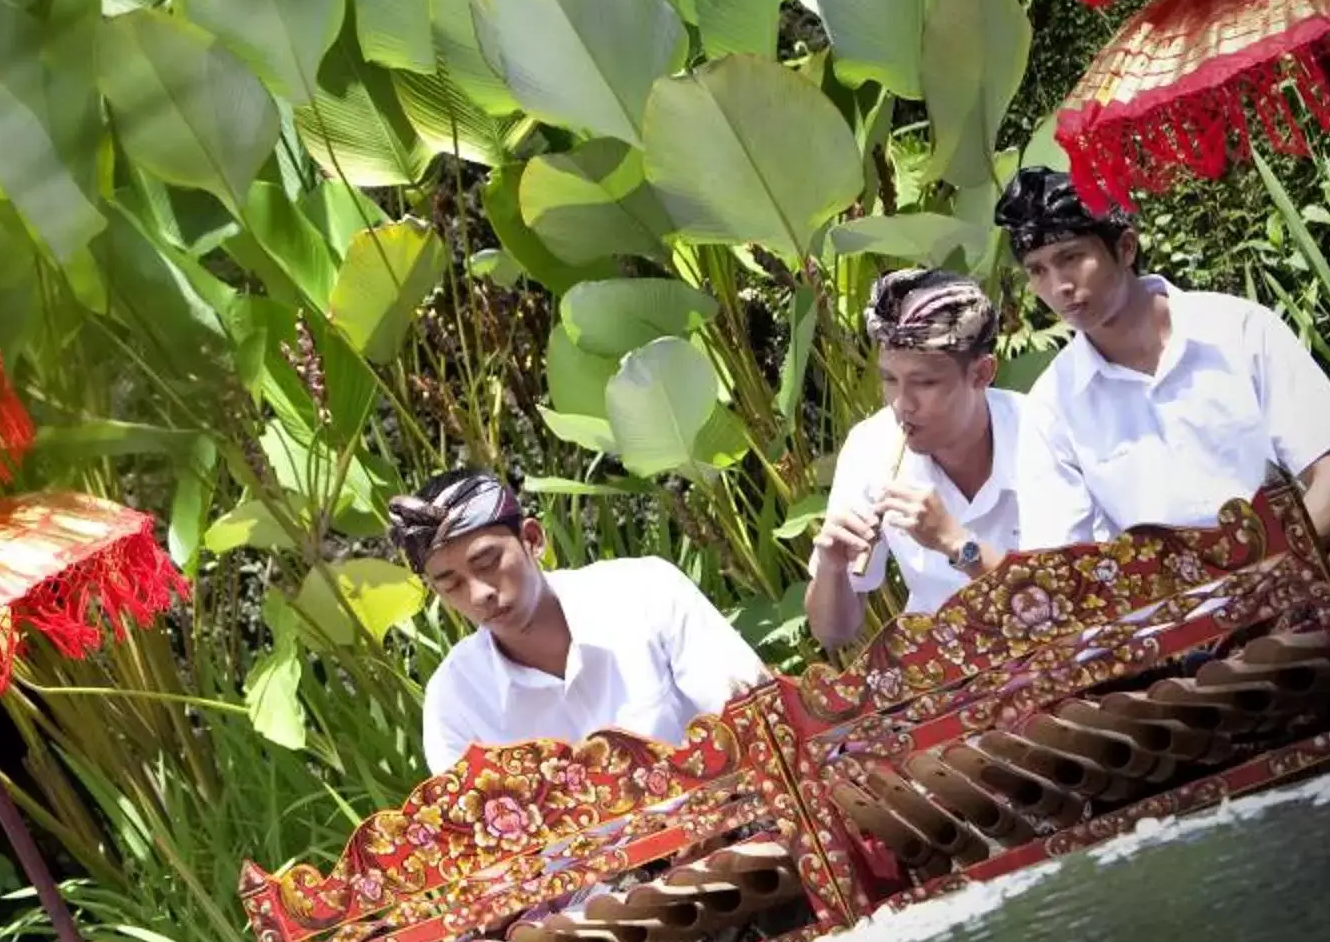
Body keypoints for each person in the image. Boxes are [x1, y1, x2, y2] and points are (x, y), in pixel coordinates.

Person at [995, 167, 1330, 551]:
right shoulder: (1052, 405)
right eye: (1037, 270)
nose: (1058, 287)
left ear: (1125, 248)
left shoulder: (1239, 330)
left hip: (1301, 570)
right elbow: (1062, 558)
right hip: (1174, 607)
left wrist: (1274, 574)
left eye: (1070, 257)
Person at [397, 468, 768, 775]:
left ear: (532, 539)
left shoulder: (647, 592)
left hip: (727, 833)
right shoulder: (455, 698)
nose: (479, 594)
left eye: (488, 562)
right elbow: (479, 846)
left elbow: (754, 720)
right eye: (451, 584)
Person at [807, 268, 1028, 652]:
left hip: (1058, 666)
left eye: (924, 383)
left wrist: (958, 544)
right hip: (943, 671)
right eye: (890, 380)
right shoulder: (870, 447)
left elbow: (1063, 604)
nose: (900, 404)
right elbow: (833, 634)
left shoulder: (1041, 434)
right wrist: (832, 569)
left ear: (982, 373)